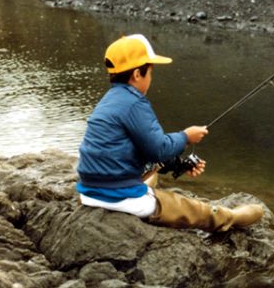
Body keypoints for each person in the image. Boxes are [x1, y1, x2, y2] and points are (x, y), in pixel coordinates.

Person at [76, 34, 263, 232]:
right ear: (138, 74)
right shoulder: (134, 103)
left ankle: (146, 185)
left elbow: (145, 150)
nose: (151, 79)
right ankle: (230, 217)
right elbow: (159, 149)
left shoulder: (108, 101)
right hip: (119, 199)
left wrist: (178, 164)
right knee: (190, 209)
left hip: (89, 193)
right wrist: (186, 136)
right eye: (150, 73)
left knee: (151, 173)